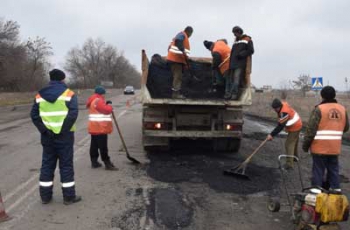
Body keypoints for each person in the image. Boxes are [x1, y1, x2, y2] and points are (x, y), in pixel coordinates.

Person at [30, 69, 81, 205]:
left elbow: (34, 116)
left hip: (47, 137)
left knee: (47, 165)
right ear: (62, 79)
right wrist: (62, 130)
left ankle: (45, 197)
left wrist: (45, 131)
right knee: (66, 166)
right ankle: (69, 197)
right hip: (65, 136)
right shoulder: (69, 94)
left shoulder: (39, 95)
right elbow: (73, 114)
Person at [302, 86, 349, 192]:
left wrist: (305, 146)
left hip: (319, 148)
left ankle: (315, 195)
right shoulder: (342, 109)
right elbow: (346, 127)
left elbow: (310, 131)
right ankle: (336, 194)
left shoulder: (319, 109)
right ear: (334, 95)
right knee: (333, 171)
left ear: (322, 96)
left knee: (318, 171)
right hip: (334, 148)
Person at [86, 86, 118, 171]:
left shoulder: (93, 100)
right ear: (102, 93)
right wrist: (110, 105)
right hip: (100, 128)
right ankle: (107, 163)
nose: (104, 96)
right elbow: (106, 110)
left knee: (94, 146)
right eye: (104, 94)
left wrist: (106, 104)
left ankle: (94, 162)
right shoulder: (98, 100)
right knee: (103, 147)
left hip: (94, 127)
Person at [267, 98, 302, 169]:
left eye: (276, 108)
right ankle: (294, 158)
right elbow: (281, 121)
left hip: (295, 126)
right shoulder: (282, 105)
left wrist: (271, 135)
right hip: (297, 124)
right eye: (274, 108)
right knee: (294, 142)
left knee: (288, 144)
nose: (274, 110)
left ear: (279, 106)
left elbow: (280, 126)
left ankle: (289, 164)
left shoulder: (284, 112)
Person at [227, 26, 254, 100]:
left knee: (236, 79)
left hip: (240, 64)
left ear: (239, 32)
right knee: (232, 80)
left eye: (235, 33)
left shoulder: (247, 39)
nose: (234, 35)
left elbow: (251, 50)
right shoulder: (236, 41)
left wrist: (241, 54)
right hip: (233, 64)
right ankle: (230, 94)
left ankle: (234, 95)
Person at [167, 26, 193, 99]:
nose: (190, 36)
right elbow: (178, 40)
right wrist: (181, 49)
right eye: (191, 34)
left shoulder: (181, 36)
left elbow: (169, 47)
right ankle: (175, 95)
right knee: (177, 76)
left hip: (176, 59)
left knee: (177, 76)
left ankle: (175, 93)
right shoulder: (182, 35)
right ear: (189, 32)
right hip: (176, 60)